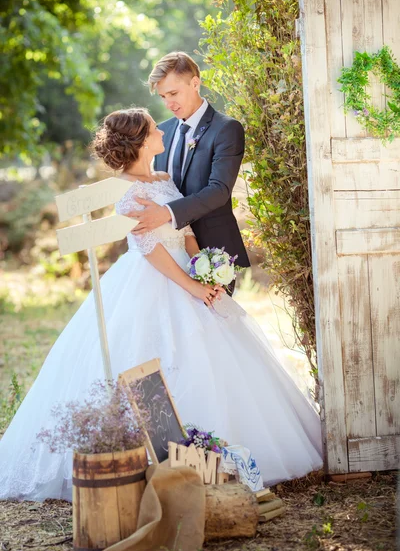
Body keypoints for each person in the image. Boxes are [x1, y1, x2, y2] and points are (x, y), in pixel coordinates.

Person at [0, 108, 322, 502]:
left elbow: (184, 231)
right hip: (155, 279)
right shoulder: (129, 191)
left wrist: (206, 269)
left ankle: (218, 460)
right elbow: (150, 248)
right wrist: (190, 285)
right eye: (153, 129)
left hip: (188, 270)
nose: (161, 131)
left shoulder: (164, 178)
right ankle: (159, 458)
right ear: (138, 141)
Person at [126, 51, 251, 294]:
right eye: (163, 96)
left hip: (211, 252)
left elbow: (219, 190)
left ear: (195, 83)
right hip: (168, 256)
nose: (168, 103)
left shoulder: (226, 129)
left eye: (173, 93)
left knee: (215, 327)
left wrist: (166, 213)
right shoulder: (161, 131)